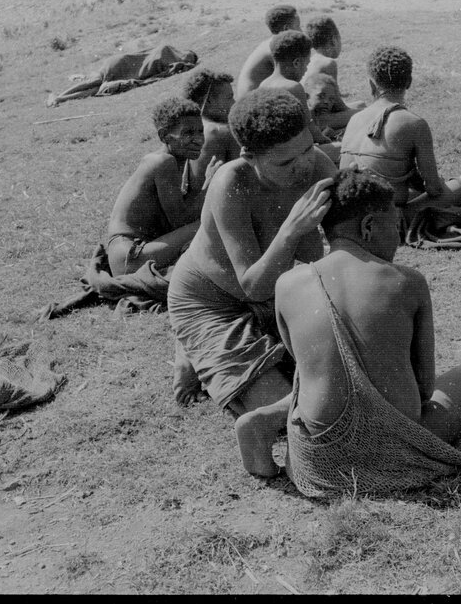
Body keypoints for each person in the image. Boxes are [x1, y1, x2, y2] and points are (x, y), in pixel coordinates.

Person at [237, 167, 461, 485]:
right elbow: (425, 388)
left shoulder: (288, 283)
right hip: (392, 447)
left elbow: (302, 370)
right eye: (396, 225)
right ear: (368, 226)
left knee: (317, 381)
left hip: (321, 452)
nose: (400, 237)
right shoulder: (408, 281)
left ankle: (269, 418)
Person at [167, 89, 336, 416]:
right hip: (211, 302)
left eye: (307, 149)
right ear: (249, 157)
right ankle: (190, 345)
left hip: (276, 293)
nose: (303, 165)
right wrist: (292, 229)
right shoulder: (231, 184)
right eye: (286, 162)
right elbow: (252, 285)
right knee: (289, 412)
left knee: (338, 377)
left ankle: (210, 350)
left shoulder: (317, 164)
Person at [339, 46, 461, 227]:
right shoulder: (414, 123)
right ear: (409, 82)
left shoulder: (355, 119)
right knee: (458, 187)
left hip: (346, 216)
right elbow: (434, 189)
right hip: (383, 220)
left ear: (371, 84)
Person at [106, 97, 213, 275]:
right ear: (164, 136)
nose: (198, 140)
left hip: (129, 255)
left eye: (200, 132)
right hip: (130, 258)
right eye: (187, 133)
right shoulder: (164, 162)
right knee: (209, 223)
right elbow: (180, 222)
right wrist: (209, 183)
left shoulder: (174, 160)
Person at [257, 30, 336, 152]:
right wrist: (325, 140)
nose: (306, 70)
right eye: (306, 64)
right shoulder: (293, 87)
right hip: (294, 153)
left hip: (272, 151)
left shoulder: (263, 84)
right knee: (342, 147)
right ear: (297, 62)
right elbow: (309, 126)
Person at [46, 45, 197, 107]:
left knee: (97, 90)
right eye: (189, 57)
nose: (188, 60)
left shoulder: (174, 64)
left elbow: (170, 71)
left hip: (128, 72)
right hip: (120, 64)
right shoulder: (166, 50)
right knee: (95, 81)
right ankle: (57, 95)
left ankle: (61, 99)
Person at [301, 16, 366, 134]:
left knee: (361, 104)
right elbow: (337, 106)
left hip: (310, 116)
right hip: (319, 120)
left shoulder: (314, 59)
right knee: (365, 113)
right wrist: (356, 112)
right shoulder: (328, 63)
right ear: (333, 40)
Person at [182, 68, 239, 185]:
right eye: (229, 97)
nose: (234, 103)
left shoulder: (190, 128)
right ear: (208, 101)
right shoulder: (217, 132)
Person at [235, 5, 301, 98]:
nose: (301, 31)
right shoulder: (277, 49)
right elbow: (292, 81)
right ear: (286, 29)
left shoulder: (270, 43)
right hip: (253, 101)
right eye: (298, 27)